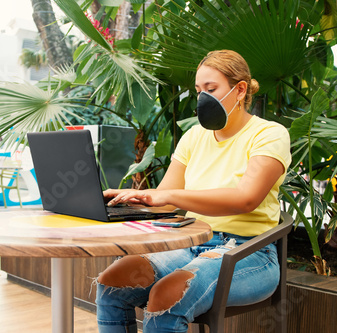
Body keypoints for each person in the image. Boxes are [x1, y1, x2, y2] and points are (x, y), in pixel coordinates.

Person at [96, 50, 291, 332]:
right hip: (187, 244)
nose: (202, 98)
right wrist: (130, 199)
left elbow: (245, 199)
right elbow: (163, 201)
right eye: (198, 90)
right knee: (112, 284)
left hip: (248, 252)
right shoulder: (194, 136)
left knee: (167, 296)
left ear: (240, 90)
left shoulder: (269, 134)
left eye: (211, 90)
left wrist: (169, 197)